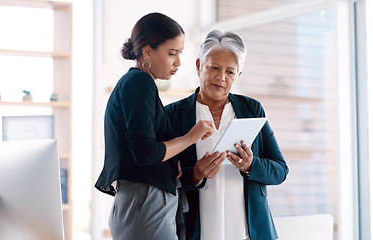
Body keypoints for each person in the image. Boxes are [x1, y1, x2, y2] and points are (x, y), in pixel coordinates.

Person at [95, 13, 219, 240]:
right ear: (147, 51)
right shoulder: (140, 82)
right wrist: (191, 137)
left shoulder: (136, 83)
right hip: (145, 203)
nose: (178, 62)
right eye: (172, 53)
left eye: (180, 54)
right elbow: (145, 153)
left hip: (142, 202)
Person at [165, 30, 289, 240]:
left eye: (230, 72)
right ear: (198, 66)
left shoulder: (252, 109)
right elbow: (161, 180)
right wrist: (194, 174)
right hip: (196, 232)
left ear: (238, 75)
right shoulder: (172, 115)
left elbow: (280, 170)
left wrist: (251, 165)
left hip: (249, 234)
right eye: (214, 67)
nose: (221, 78)